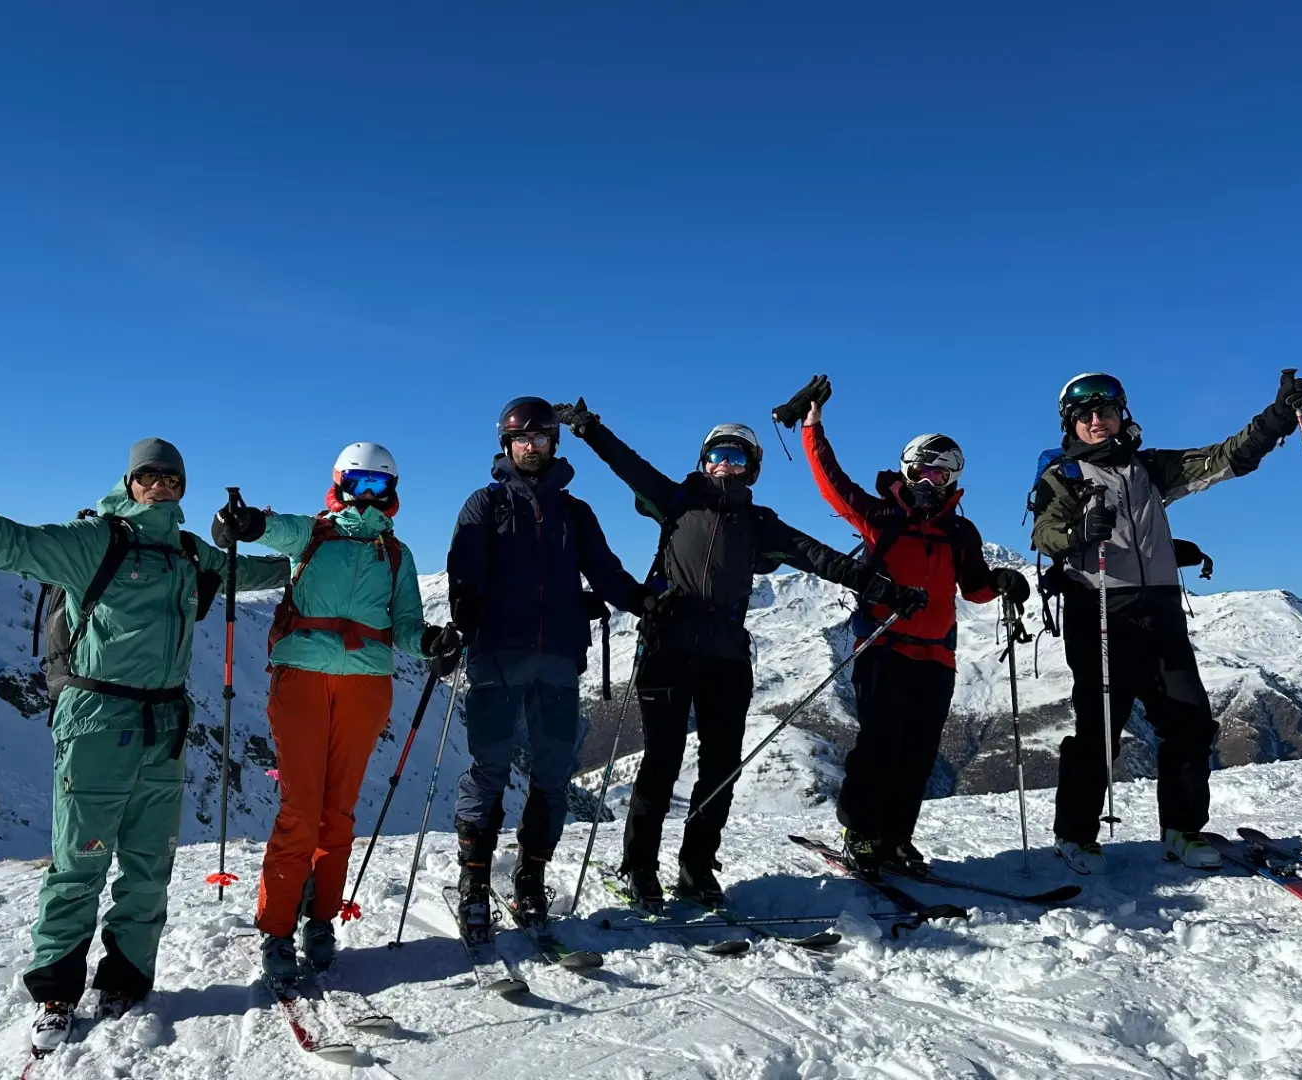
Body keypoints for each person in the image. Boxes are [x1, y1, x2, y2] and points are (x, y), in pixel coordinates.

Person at [0, 437, 292, 1052]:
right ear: (130, 481)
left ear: (183, 488)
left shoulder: (191, 554)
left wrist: (278, 534)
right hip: (98, 718)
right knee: (80, 862)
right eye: (149, 475)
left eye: (173, 478)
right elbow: (15, 546)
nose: (161, 485)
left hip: (166, 724)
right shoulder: (95, 541)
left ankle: (126, 979)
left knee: (148, 864)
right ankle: (56, 992)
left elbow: (276, 572)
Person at [554, 399, 925, 911]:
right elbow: (627, 464)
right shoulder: (676, 500)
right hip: (667, 645)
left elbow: (821, 557)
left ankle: (697, 866)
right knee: (661, 762)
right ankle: (640, 866)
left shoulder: (760, 523)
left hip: (727, 658)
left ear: (752, 467)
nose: (725, 464)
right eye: (717, 455)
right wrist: (590, 428)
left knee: (721, 767)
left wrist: (885, 588)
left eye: (736, 456)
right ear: (704, 461)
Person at [1028, 370, 1302, 874]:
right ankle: (1075, 835)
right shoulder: (1063, 477)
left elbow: (1225, 458)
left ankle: (1181, 830)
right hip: (1099, 614)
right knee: (1099, 730)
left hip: (1161, 614)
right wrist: (1079, 531)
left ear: (1123, 414)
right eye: (1086, 416)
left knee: (1189, 722)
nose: (1097, 421)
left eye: (1106, 411)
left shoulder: (1150, 467)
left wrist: (1277, 418)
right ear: (1071, 425)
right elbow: (1044, 533)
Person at [209, 442, 463, 984]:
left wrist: (433, 641)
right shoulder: (314, 533)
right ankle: (278, 926)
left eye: (379, 485)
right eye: (359, 482)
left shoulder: (397, 555)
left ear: (391, 493)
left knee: (339, 810)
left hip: (366, 687)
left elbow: (405, 627)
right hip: (301, 679)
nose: (368, 495)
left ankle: (320, 918)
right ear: (340, 483)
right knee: (300, 807)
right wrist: (245, 522)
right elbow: (271, 528)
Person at [788, 375, 1031, 879]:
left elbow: (975, 589)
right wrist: (813, 426)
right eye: (922, 471)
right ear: (907, 470)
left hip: (938, 656)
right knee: (878, 745)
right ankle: (859, 833)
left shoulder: (960, 532)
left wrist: (1005, 581)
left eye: (939, 476)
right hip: (882, 647)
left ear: (952, 483)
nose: (928, 482)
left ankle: (896, 839)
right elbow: (832, 483)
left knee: (918, 754)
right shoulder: (881, 518)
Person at [445, 397, 646, 932]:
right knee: (489, 769)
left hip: (557, 658)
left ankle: (530, 879)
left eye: (540, 438)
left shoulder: (575, 514)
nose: (530, 447)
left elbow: (606, 571)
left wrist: (646, 603)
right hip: (496, 656)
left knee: (552, 774)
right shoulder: (483, 506)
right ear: (506, 445)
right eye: (521, 438)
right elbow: (462, 568)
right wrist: (463, 608)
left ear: (554, 443)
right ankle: (474, 879)